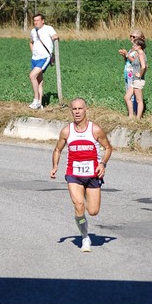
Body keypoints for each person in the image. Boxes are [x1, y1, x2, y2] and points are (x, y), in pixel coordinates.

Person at [50, 97, 112, 252]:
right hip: (74, 174)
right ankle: (85, 236)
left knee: (93, 211)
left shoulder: (95, 130)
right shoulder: (67, 131)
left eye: (80, 109)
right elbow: (58, 149)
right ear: (71, 111)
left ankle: (85, 198)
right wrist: (55, 166)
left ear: (86, 110)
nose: (77, 112)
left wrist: (102, 164)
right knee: (79, 205)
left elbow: (108, 148)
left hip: (92, 175)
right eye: (74, 109)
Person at [29, 13, 59, 109]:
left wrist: (55, 38)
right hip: (35, 58)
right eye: (34, 21)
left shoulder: (48, 28)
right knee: (39, 81)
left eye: (38, 20)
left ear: (42, 21)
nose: (36, 22)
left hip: (44, 57)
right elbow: (31, 42)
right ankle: (40, 104)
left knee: (32, 76)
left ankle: (36, 100)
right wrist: (33, 51)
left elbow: (55, 36)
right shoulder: (33, 31)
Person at [118, 28, 146, 115]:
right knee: (128, 93)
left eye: (133, 36)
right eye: (130, 36)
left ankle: (135, 113)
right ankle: (131, 114)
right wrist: (125, 55)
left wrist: (127, 54)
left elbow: (136, 62)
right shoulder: (132, 49)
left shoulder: (140, 51)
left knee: (134, 96)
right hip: (128, 72)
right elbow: (128, 61)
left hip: (134, 74)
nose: (131, 38)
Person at [124, 37, 147, 120]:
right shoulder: (137, 54)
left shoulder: (141, 54)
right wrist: (127, 54)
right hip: (134, 80)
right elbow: (134, 61)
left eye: (135, 45)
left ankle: (138, 118)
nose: (133, 46)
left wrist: (140, 74)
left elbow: (144, 66)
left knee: (139, 100)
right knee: (127, 97)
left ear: (139, 46)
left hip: (138, 80)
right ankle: (131, 116)